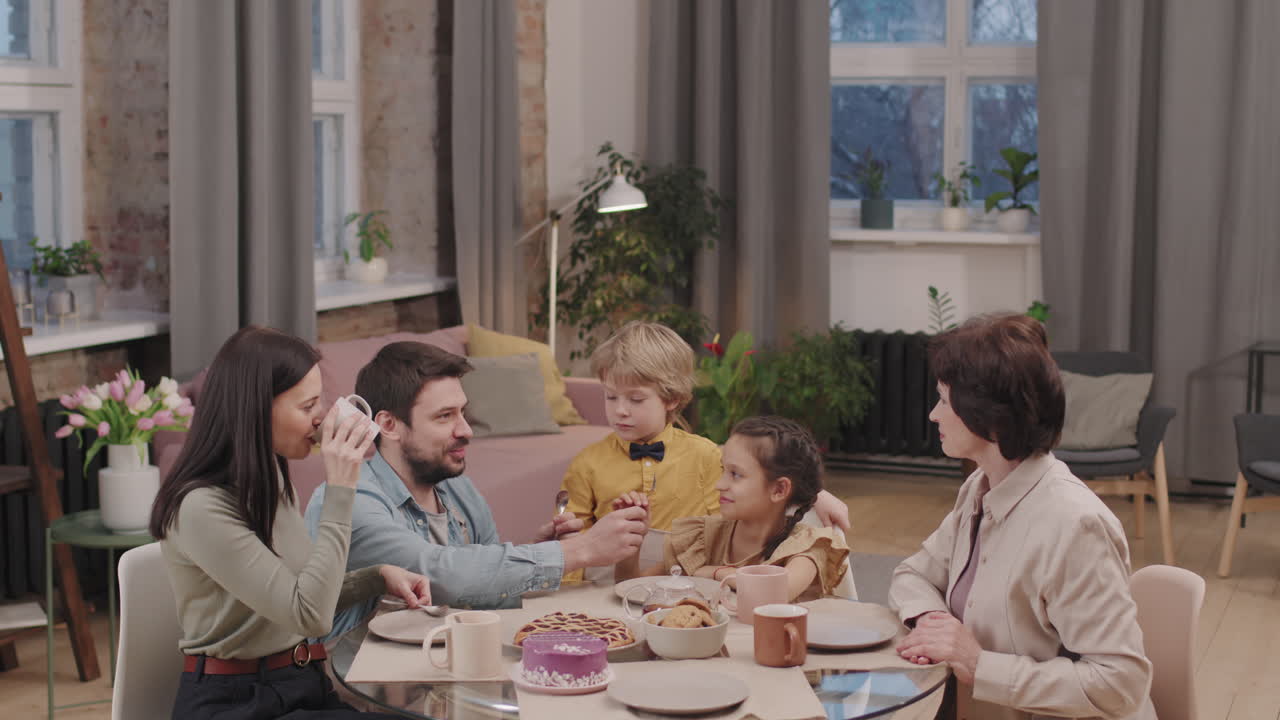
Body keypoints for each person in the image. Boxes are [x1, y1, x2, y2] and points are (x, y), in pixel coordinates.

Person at [150, 326, 432, 720]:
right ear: (256, 409)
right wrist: (340, 491)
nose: (321, 419)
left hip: (300, 685)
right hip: (235, 704)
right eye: (307, 406)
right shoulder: (200, 508)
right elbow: (309, 615)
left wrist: (376, 577)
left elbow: (296, 597)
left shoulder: (271, 478)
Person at [889, 314, 1155, 720]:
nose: (933, 415)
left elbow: (1120, 682)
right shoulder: (981, 487)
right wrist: (935, 621)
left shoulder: (1074, 525)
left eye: (944, 400)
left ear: (989, 415)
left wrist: (978, 664)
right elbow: (914, 574)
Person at [304, 341, 648, 638]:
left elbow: (484, 590)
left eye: (463, 413)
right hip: (361, 684)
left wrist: (544, 553)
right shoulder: (349, 497)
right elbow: (439, 574)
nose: (466, 430)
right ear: (389, 425)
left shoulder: (457, 488)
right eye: (444, 416)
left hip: (442, 667)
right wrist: (580, 552)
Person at [560, 321, 850, 580]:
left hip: (689, 581)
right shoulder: (587, 463)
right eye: (610, 397)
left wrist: (816, 496)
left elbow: (752, 497)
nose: (620, 410)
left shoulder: (707, 456)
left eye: (636, 399)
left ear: (672, 398)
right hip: (605, 585)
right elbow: (573, 547)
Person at [627, 416, 850, 601]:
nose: (719, 485)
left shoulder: (808, 546)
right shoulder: (703, 538)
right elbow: (635, 590)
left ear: (780, 489)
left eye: (735, 474)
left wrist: (714, 573)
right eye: (723, 470)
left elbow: (775, 594)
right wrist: (631, 542)